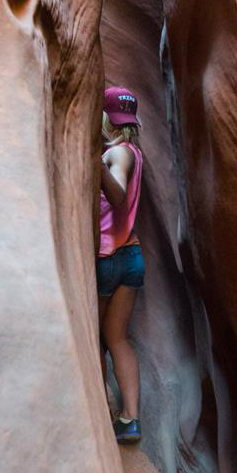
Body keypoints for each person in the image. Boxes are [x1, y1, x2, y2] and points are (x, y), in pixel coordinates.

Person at [97, 86, 145, 444]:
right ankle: (130, 419)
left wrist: (94, 162)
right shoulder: (135, 151)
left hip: (109, 257)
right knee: (117, 338)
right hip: (131, 257)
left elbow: (117, 195)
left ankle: (103, 411)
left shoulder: (116, 155)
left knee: (97, 339)